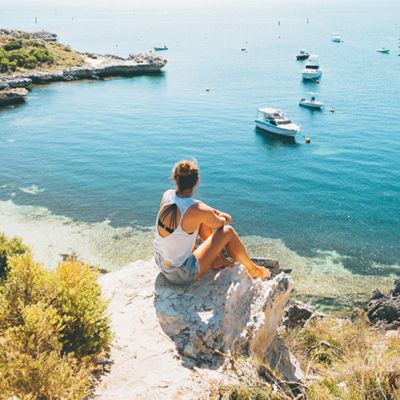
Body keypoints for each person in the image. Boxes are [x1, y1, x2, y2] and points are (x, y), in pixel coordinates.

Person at [153, 160, 271, 285]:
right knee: (228, 231)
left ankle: (218, 259)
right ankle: (253, 270)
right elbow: (220, 224)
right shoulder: (197, 210)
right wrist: (223, 217)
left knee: (203, 221)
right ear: (197, 180)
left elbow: (199, 209)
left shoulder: (167, 195)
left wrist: (215, 212)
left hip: (161, 262)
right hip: (181, 274)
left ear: (175, 179)